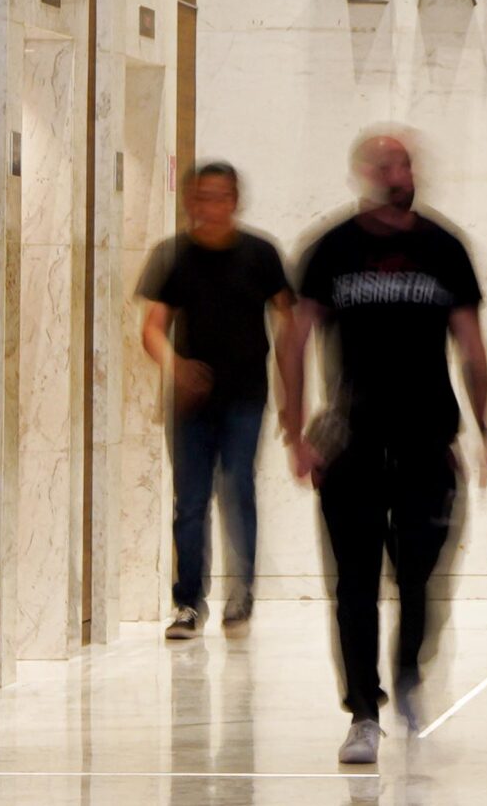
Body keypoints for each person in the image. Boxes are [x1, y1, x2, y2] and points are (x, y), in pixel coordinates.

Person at [278, 129, 487, 768]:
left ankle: (407, 676)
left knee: (420, 579)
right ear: (363, 174)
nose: (394, 172)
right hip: (349, 442)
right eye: (382, 163)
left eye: (402, 161)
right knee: (353, 583)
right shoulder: (331, 249)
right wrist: (296, 433)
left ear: (414, 171)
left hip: (429, 440)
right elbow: (294, 342)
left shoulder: (443, 248)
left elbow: (472, 345)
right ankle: (364, 712)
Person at [137, 161, 295, 638]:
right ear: (188, 202)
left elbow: (290, 322)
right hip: (190, 403)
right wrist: (177, 367)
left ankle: (241, 593)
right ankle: (188, 603)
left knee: (238, 489)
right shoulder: (172, 256)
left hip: (246, 396)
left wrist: (294, 394)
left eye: (220, 196)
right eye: (202, 197)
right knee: (190, 500)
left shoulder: (261, 254)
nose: (211, 207)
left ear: (235, 200)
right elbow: (152, 329)